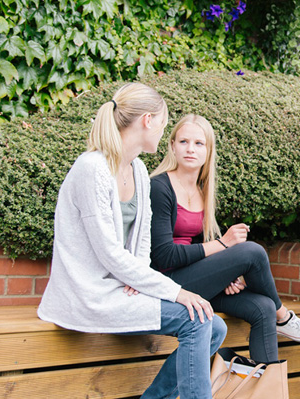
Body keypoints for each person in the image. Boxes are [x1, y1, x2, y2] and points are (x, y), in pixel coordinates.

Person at [38, 83, 227, 399]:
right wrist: (176, 292)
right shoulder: (92, 168)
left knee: (214, 326)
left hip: (122, 289)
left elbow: (140, 243)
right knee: (195, 321)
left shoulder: (138, 169)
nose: (164, 134)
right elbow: (109, 252)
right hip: (92, 295)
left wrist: (138, 279)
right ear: (147, 121)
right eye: (164, 125)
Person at [148, 114, 300, 364]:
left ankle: (266, 389)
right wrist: (223, 244)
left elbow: (198, 246)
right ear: (172, 145)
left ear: (208, 151)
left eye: (199, 143)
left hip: (194, 280)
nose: (190, 149)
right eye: (184, 141)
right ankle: (283, 317)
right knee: (251, 252)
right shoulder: (159, 187)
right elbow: (163, 255)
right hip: (168, 284)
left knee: (263, 307)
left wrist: (224, 276)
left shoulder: (202, 191)